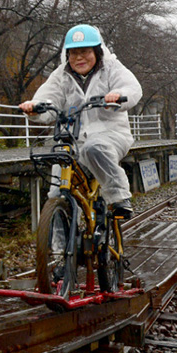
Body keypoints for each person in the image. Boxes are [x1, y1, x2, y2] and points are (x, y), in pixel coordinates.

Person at [19, 24, 142, 219]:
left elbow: (132, 88)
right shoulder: (61, 75)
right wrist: (34, 108)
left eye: (84, 51)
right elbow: (48, 98)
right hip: (71, 139)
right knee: (56, 192)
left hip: (110, 134)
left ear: (97, 51)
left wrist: (118, 95)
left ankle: (118, 196)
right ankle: (58, 243)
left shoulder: (112, 68)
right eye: (73, 53)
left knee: (94, 147)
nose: (78, 58)